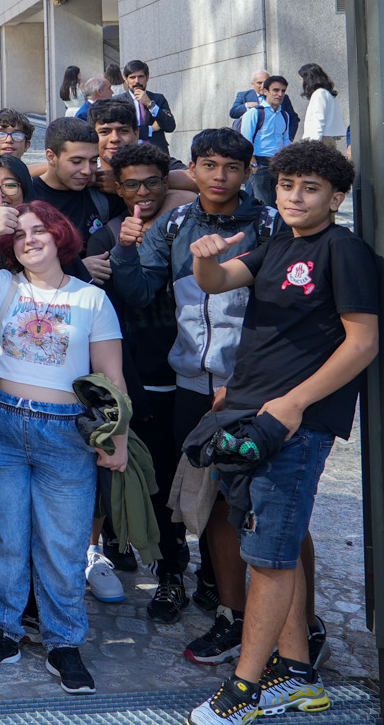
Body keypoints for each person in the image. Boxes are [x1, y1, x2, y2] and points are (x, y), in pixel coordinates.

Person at [183, 142, 381, 725]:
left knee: (267, 558)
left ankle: (242, 691)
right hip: (247, 415)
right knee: (277, 545)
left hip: (293, 427)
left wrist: (293, 405)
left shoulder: (343, 250)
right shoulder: (276, 242)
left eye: (311, 188)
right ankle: (296, 674)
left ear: (337, 198)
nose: (295, 196)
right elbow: (217, 281)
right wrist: (203, 258)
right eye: (288, 184)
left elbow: (362, 342)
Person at [108, 128, 288, 666]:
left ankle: (275, 617)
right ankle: (210, 600)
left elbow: (277, 312)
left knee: (257, 506)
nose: (219, 177)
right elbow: (141, 292)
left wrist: (249, 379)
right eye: (208, 165)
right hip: (191, 386)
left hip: (252, 391)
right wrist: (124, 251)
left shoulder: (269, 225)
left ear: (248, 169)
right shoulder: (177, 223)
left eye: (231, 167)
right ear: (195, 166)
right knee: (199, 499)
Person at [0, 200, 126, 695]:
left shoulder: (91, 299)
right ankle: (3, 631)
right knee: (4, 537)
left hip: (66, 433)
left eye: (39, 231)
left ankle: (63, 641)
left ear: (59, 236)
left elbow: (112, 377)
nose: (30, 240)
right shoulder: (5, 286)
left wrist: (117, 437)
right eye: (20, 235)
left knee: (63, 543)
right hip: (5, 426)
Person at [88, 142, 194, 620]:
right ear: (115, 185)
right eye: (130, 183)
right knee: (144, 480)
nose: (142, 191)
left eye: (153, 180)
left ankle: (182, 574)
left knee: (180, 479)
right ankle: (151, 563)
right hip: (130, 376)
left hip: (185, 375)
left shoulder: (188, 224)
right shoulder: (107, 234)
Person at [28, 118, 117, 274]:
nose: (87, 171)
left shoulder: (102, 193)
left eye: (93, 161)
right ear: (50, 157)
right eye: (77, 161)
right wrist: (77, 270)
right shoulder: (26, 197)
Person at [239, 74, 298, 203]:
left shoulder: (284, 115)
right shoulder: (254, 113)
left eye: (283, 91)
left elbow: (286, 140)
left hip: (279, 165)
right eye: (275, 90)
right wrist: (254, 164)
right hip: (260, 164)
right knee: (263, 205)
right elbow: (245, 141)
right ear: (265, 91)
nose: (280, 94)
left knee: (280, 204)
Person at [120, 61, 176, 147]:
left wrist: (150, 104)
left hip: (157, 153)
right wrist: (151, 129)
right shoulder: (118, 101)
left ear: (147, 77)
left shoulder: (158, 99)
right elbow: (122, 130)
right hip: (129, 152)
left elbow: (170, 126)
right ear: (126, 79)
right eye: (132, 77)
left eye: (141, 77)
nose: (137, 81)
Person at [299, 64, 342, 148]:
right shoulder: (325, 93)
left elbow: (318, 120)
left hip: (319, 140)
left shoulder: (319, 94)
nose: (302, 82)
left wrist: (314, 145)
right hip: (322, 140)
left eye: (302, 79)